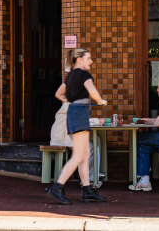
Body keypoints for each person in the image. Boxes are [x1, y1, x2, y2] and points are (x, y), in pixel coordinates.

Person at [47, 48, 107, 205]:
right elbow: (93, 92)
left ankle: (87, 190)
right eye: (88, 58)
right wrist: (100, 101)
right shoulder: (83, 74)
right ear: (79, 59)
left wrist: (71, 101)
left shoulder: (71, 75)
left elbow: (58, 94)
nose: (91, 61)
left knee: (85, 153)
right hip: (80, 113)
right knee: (79, 155)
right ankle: (57, 187)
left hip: (74, 111)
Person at [49, 100, 103, 188]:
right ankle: (89, 179)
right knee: (90, 147)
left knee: (96, 138)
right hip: (62, 137)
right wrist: (97, 121)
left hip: (68, 134)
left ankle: (94, 173)